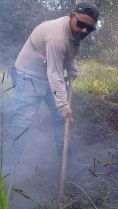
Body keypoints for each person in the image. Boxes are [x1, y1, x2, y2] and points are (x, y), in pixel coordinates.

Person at [8, 1, 99, 159]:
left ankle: (64, 158)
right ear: (72, 16)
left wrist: (70, 66)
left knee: (61, 118)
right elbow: (55, 73)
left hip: (47, 76)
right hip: (28, 76)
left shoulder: (75, 31)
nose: (84, 30)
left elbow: (68, 52)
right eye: (82, 24)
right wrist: (63, 104)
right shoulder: (57, 37)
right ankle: (10, 167)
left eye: (90, 28)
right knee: (23, 121)